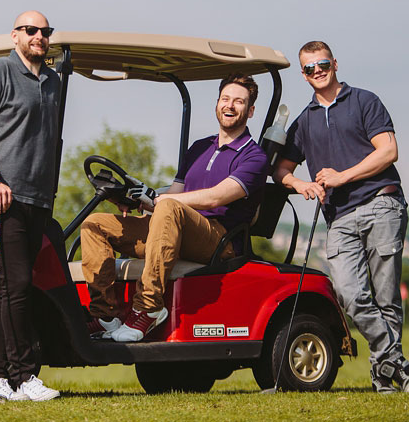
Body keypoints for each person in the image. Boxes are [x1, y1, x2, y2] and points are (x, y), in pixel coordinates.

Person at [273, 41, 409, 394]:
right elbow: (280, 169)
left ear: (334, 63)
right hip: (338, 218)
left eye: (322, 63)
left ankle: (386, 379)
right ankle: (396, 363)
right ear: (303, 73)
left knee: (386, 298)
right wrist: (301, 184)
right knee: (350, 294)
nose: (317, 71)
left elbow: (388, 151)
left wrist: (343, 176)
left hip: (381, 205)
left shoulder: (364, 101)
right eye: (309, 68)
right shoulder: (303, 122)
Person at [80, 73, 269, 342]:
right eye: (225, 99)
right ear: (217, 103)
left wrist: (161, 202)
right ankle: (106, 316)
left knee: (168, 208)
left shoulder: (254, 156)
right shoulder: (200, 147)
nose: (230, 105)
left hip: (218, 238)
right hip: (172, 228)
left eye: (238, 102)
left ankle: (148, 307)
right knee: (95, 224)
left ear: (250, 111)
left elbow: (216, 197)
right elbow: (175, 193)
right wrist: (140, 198)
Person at [0, 11, 61, 402]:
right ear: (15, 36)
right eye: (31, 30)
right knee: (15, 283)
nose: (39, 36)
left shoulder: (51, 81)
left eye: (45, 31)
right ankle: (22, 377)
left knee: (10, 286)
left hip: (36, 200)